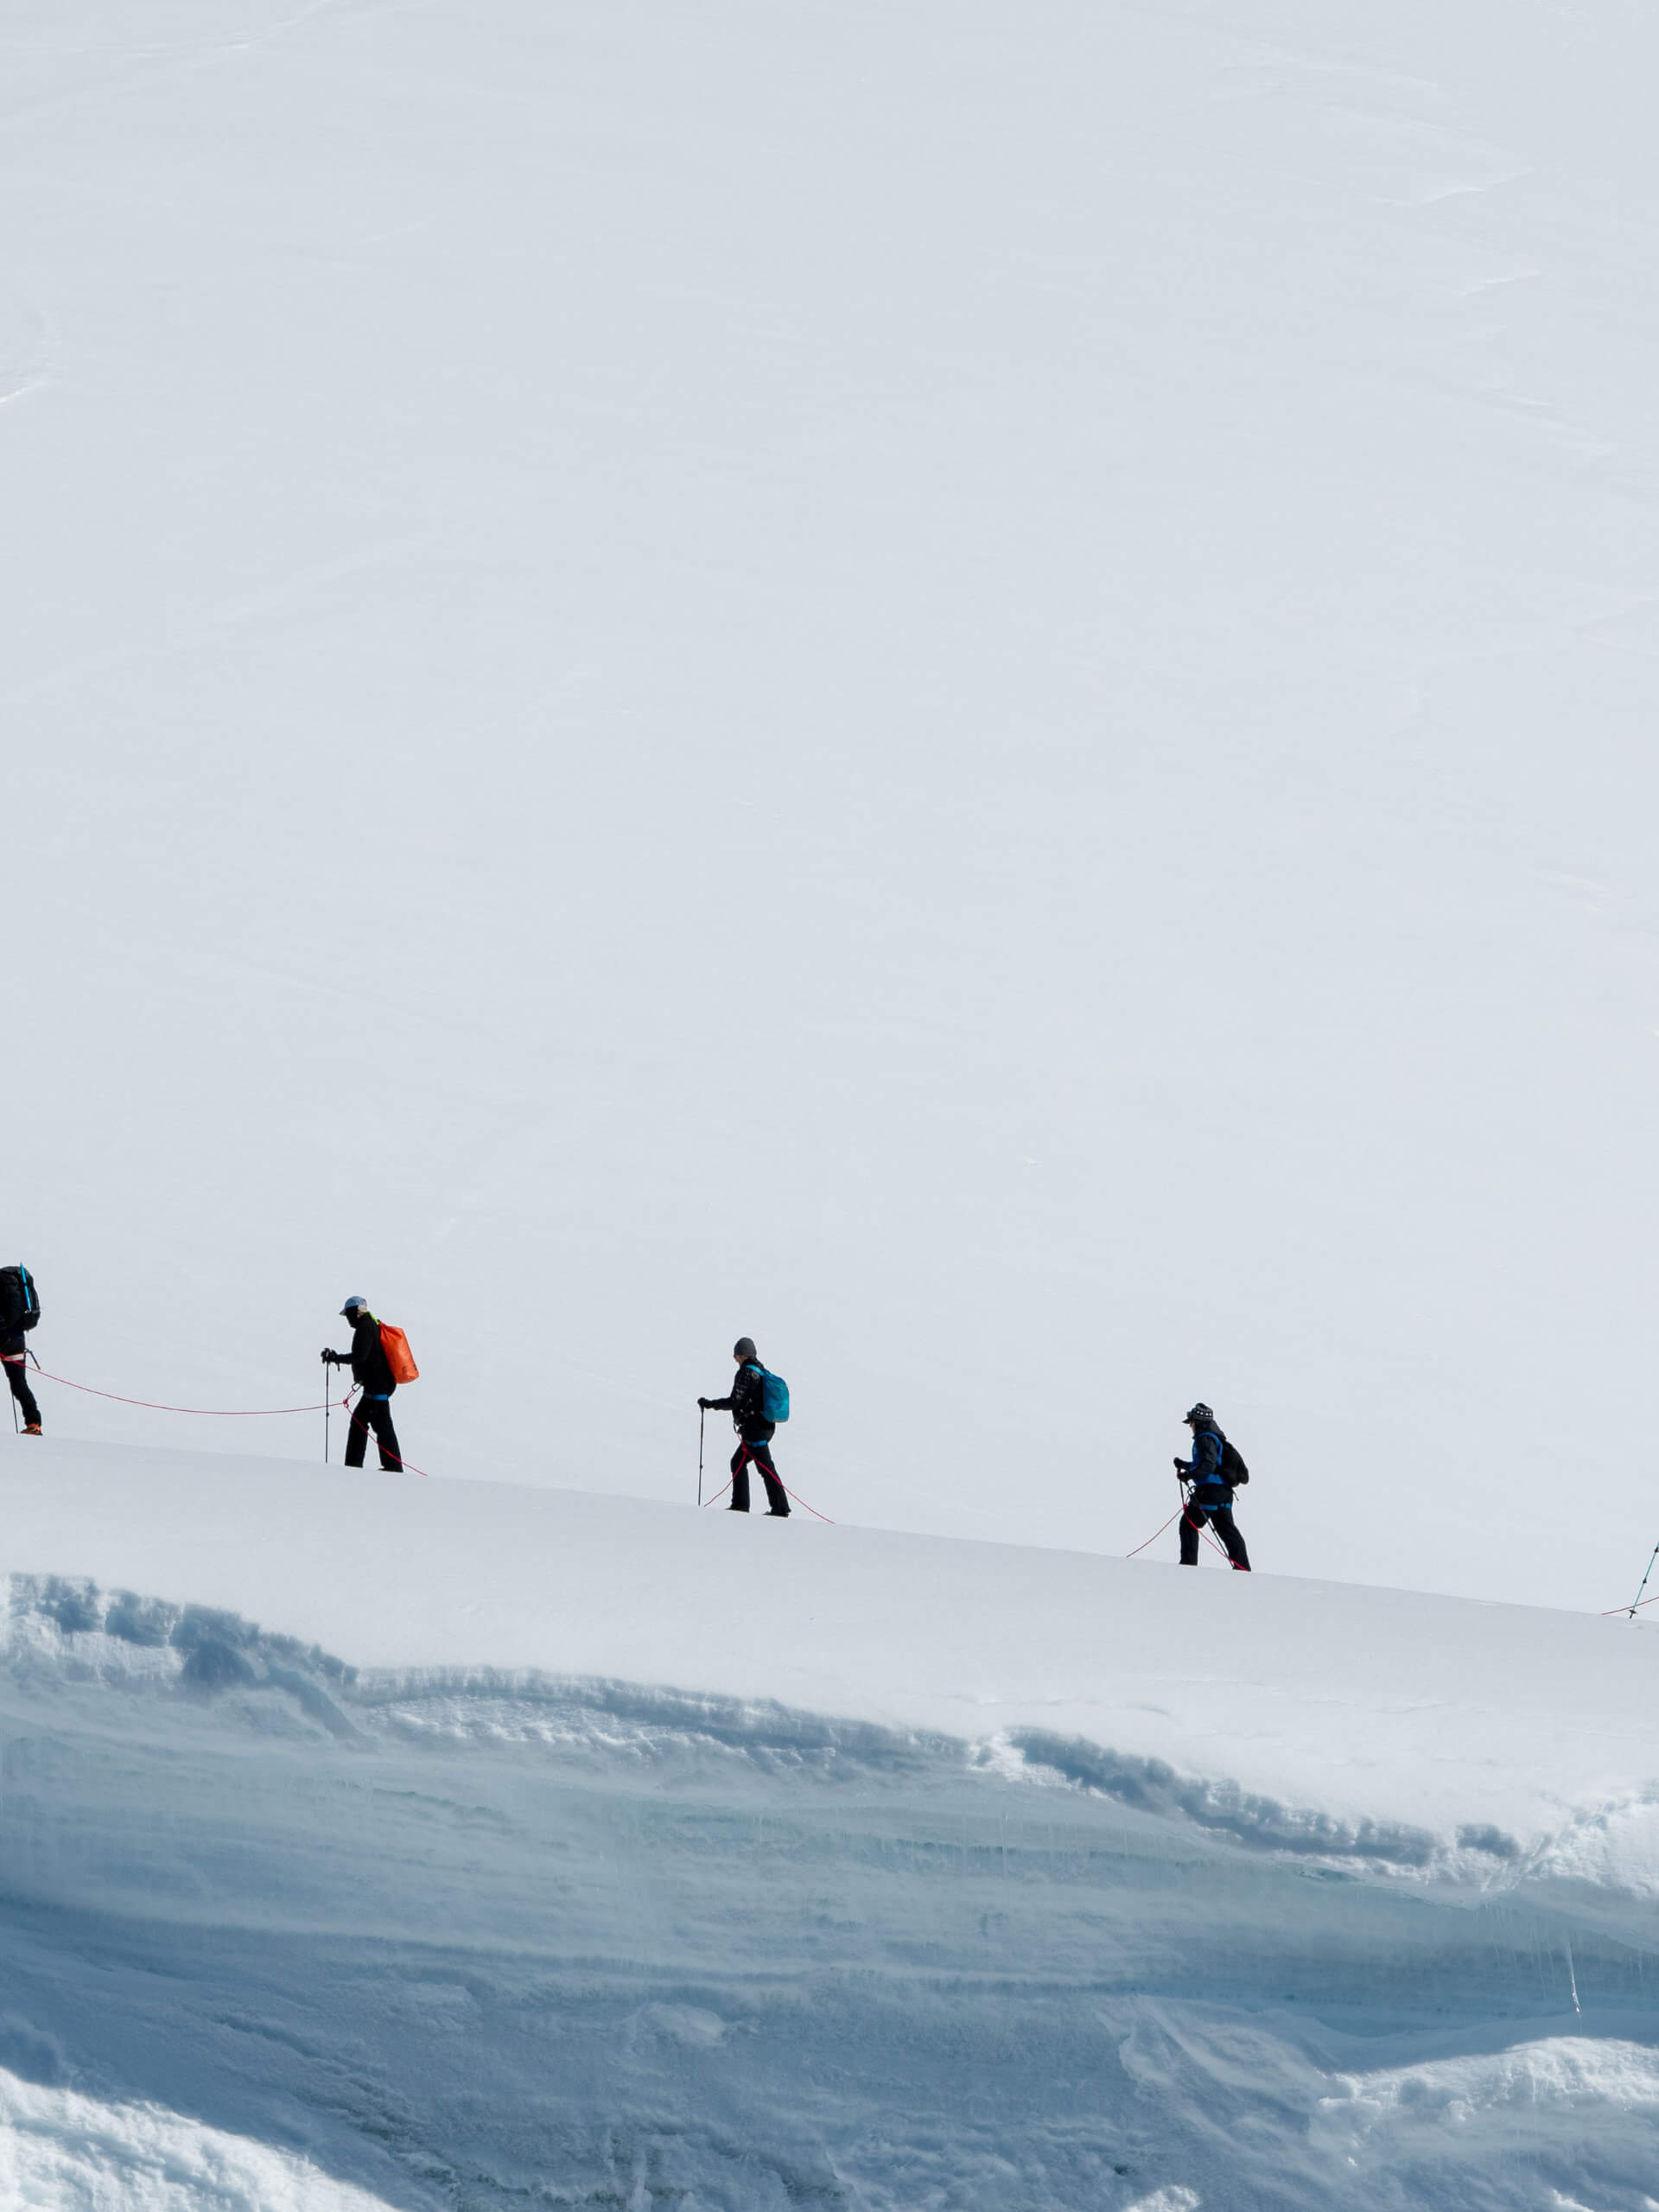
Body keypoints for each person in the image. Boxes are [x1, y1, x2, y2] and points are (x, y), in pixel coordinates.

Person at [699, 1338, 789, 1516]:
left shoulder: (746, 1373)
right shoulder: (761, 1370)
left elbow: (734, 1401)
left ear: (742, 1355)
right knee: (739, 1462)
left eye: (736, 1355)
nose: (734, 1359)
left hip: (755, 1429)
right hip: (765, 1426)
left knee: (765, 1468)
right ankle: (741, 1505)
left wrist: (709, 1404)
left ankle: (779, 1508)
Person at [322, 1296, 404, 1471]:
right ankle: (373, 1467)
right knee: (369, 1424)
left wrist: (335, 1358)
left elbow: (360, 1356)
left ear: (356, 1312)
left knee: (379, 1427)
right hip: (377, 1388)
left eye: (348, 1315)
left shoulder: (365, 1328)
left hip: (377, 1389)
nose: (348, 1319)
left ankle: (389, 1469)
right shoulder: (370, 1324)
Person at [1175, 1402, 1250, 1569]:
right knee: (1227, 1530)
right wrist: (1185, 1465)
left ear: (1197, 1422)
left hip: (1209, 1491)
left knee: (1188, 1523)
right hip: (1224, 1493)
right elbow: (1212, 1465)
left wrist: (1189, 1475)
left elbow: (1208, 1466)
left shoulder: (1204, 1439)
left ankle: (1187, 1568)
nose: (1190, 1426)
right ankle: (1243, 1569)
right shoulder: (1216, 1439)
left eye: (1191, 1422)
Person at [0, 1263, 41, 1436]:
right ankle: (34, 1424)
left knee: (18, 1383)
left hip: (2, 1338)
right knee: (19, 1384)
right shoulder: (13, 1285)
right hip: (17, 1339)